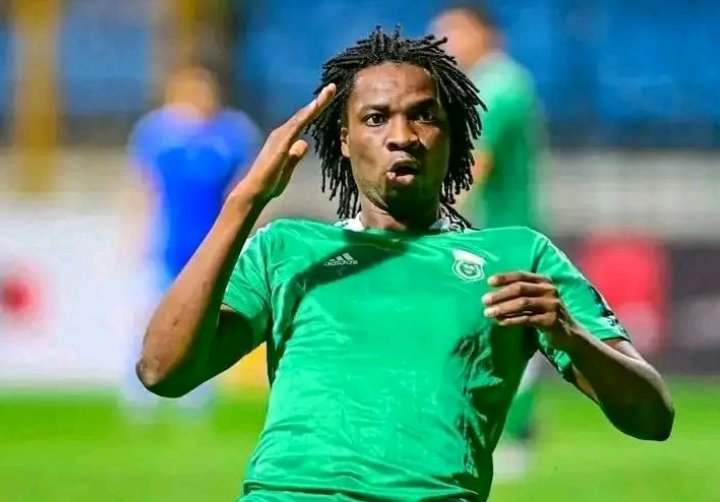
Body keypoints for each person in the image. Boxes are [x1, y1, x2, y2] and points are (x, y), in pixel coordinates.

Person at [136, 28, 674, 501]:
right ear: (344, 140)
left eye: (424, 116)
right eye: (375, 118)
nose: (402, 136)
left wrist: (570, 334)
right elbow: (162, 372)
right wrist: (244, 203)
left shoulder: (518, 258)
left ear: (453, 134)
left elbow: (653, 417)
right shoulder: (287, 250)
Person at [432, 4, 547, 479]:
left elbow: (480, 162)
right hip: (494, 233)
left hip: (501, 235)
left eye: (452, 33)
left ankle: (514, 436)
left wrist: (433, 214)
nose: (445, 44)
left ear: (483, 33)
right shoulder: (491, 83)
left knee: (506, 332)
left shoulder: (499, 85)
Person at [123, 65, 261, 419]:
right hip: (167, 242)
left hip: (210, 243)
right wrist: (135, 234)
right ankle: (139, 389)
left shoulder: (233, 133)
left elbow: (244, 188)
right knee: (149, 314)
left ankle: (197, 392)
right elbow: (144, 187)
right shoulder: (155, 133)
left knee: (206, 318)